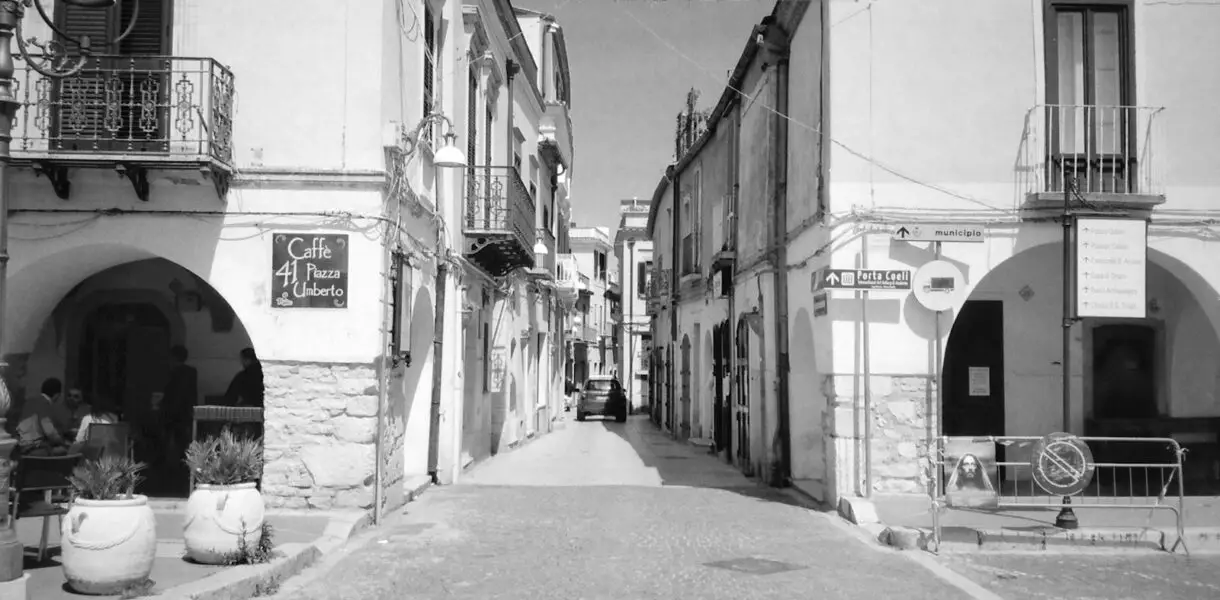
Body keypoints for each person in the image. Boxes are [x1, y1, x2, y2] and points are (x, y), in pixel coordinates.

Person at [17, 378, 69, 456]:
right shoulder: (45, 405)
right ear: (57, 395)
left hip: (21, 446)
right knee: (65, 451)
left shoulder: (28, 402)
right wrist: (63, 442)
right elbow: (50, 432)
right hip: (36, 449)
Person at [162, 345, 199, 455]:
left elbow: (172, 394)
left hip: (173, 412)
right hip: (187, 411)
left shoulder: (173, 373)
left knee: (172, 440)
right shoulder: (192, 372)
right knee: (184, 440)